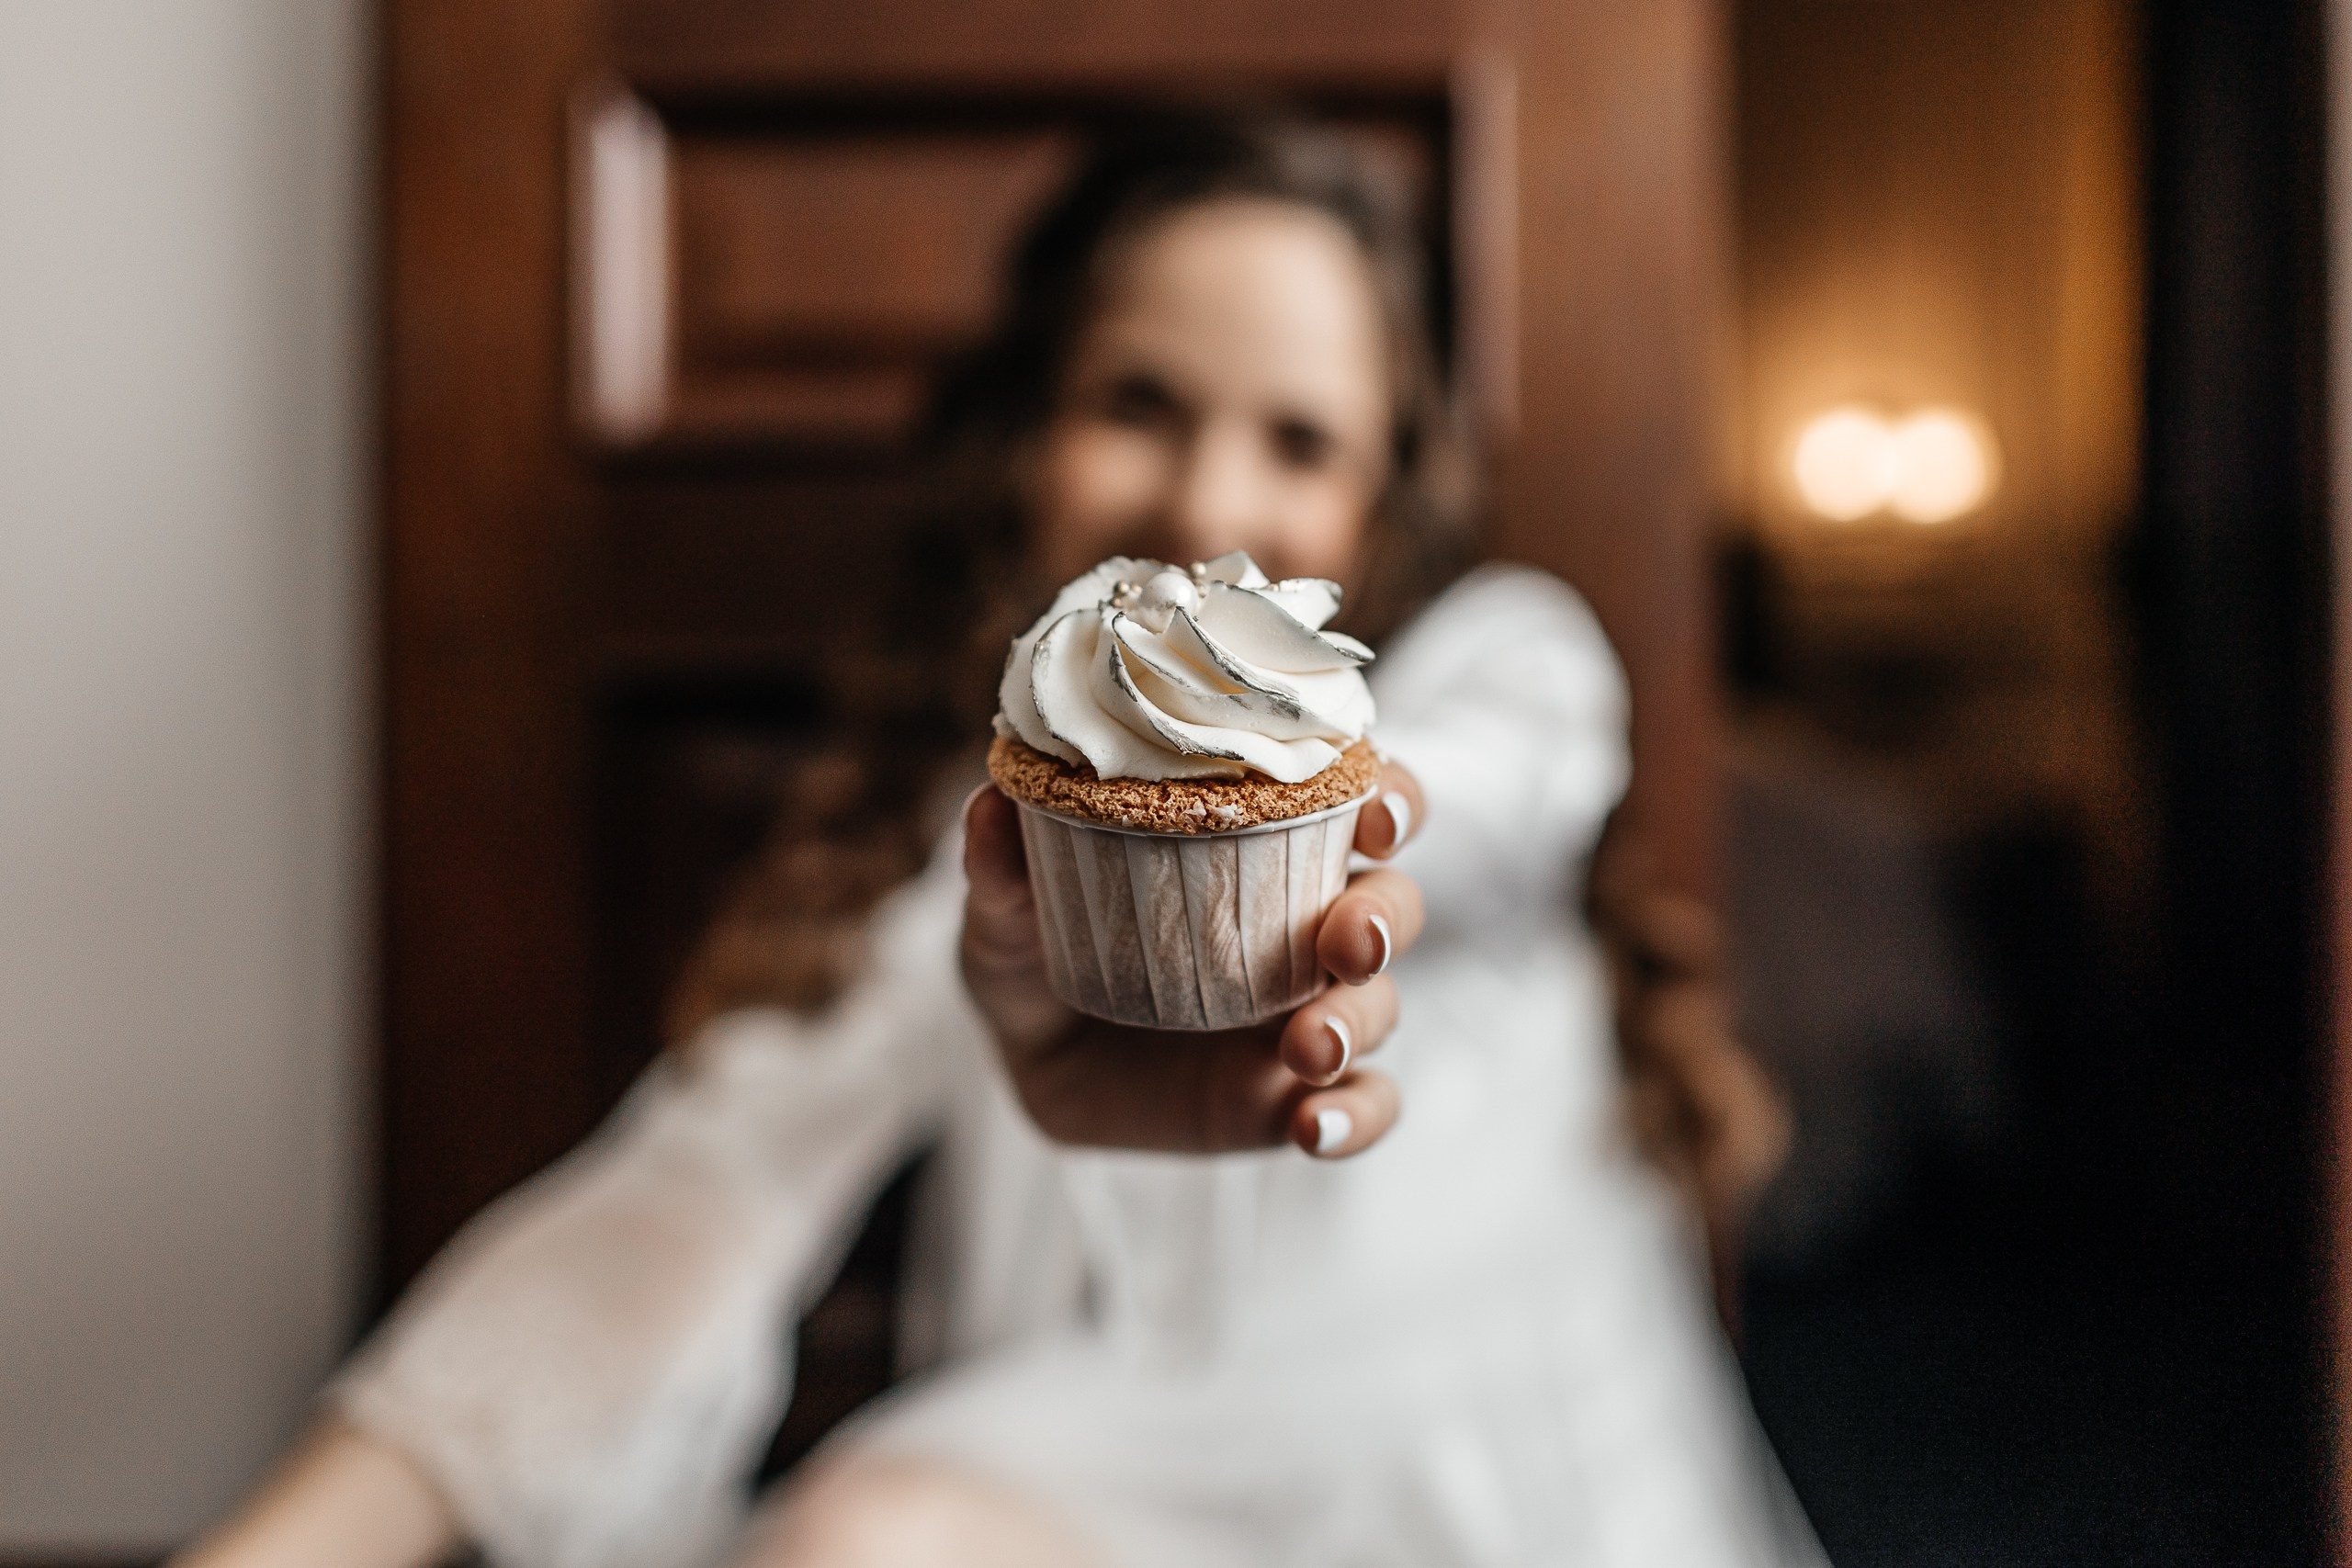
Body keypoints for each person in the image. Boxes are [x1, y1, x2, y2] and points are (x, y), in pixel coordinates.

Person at [175, 115, 1814, 1568]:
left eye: (1300, 440)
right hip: (1077, 1480)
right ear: (1021, 434)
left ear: (1390, 500)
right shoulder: (946, 852)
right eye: (1138, 404)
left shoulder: (1509, 663)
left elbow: (1472, 787)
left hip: (1473, 1472)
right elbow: (677, 1213)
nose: (1203, 501)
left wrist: (1329, 825)